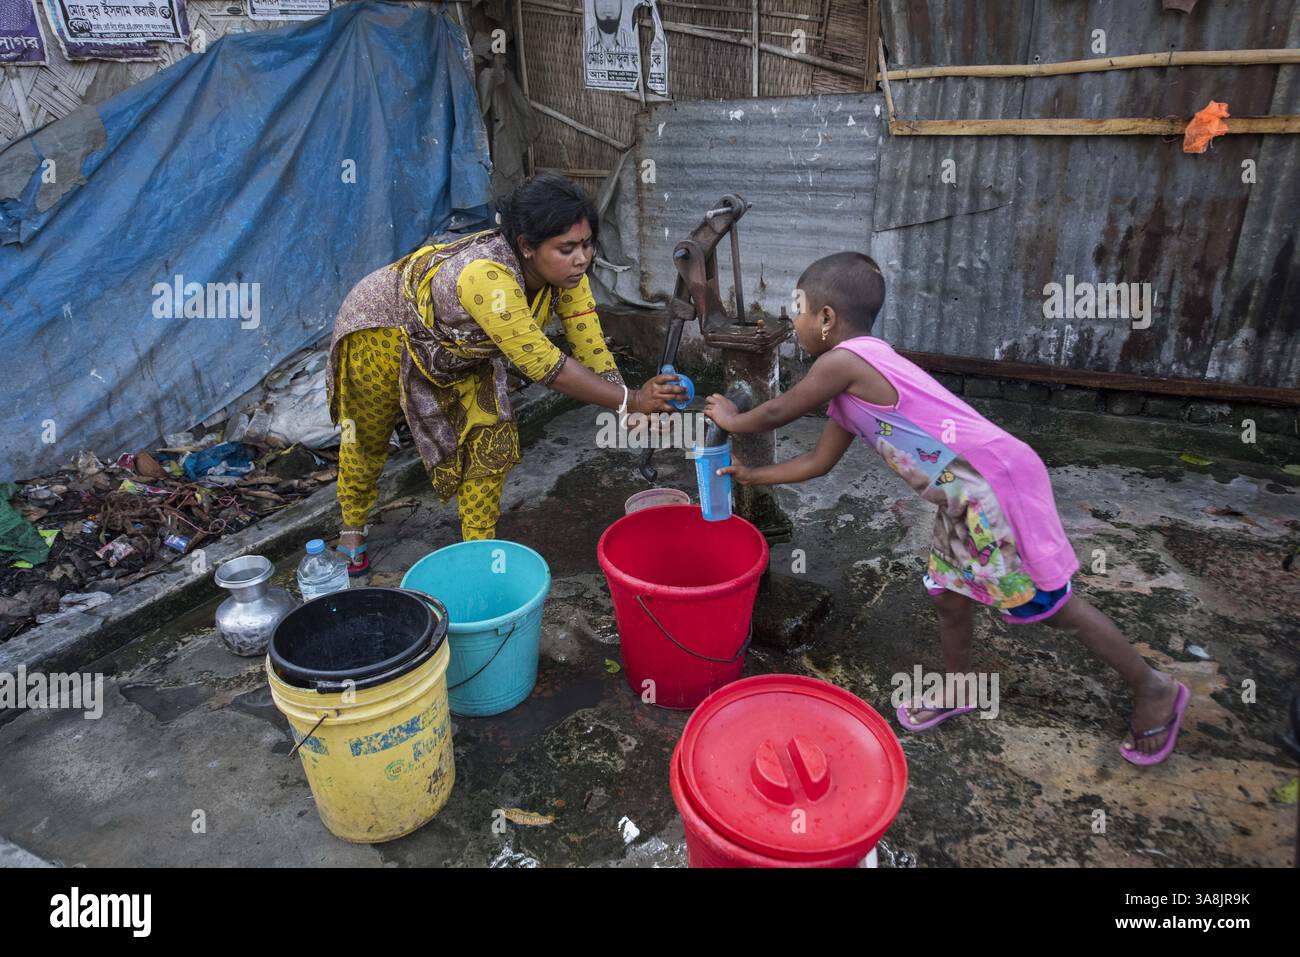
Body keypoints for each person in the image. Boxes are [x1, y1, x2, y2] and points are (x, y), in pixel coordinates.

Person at [703, 252, 1189, 766]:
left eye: (795, 311)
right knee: (948, 594)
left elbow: (778, 411)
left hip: (991, 485)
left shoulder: (846, 362)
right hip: (961, 498)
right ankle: (959, 687)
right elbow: (818, 462)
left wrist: (734, 421)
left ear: (826, 319)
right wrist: (755, 476)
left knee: (1046, 606)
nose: (790, 323)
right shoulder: (850, 388)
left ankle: (1153, 686)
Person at [326, 173, 685, 572]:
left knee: (491, 443)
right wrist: (633, 399)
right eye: (566, 248)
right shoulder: (487, 277)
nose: (582, 258)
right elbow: (544, 365)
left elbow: (589, 342)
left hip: (462, 350)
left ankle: (479, 552)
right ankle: (352, 528)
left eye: (586, 244)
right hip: (384, 333)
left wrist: (622, 402)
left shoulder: (569, 276)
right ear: (526, 247)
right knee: (367, 436)